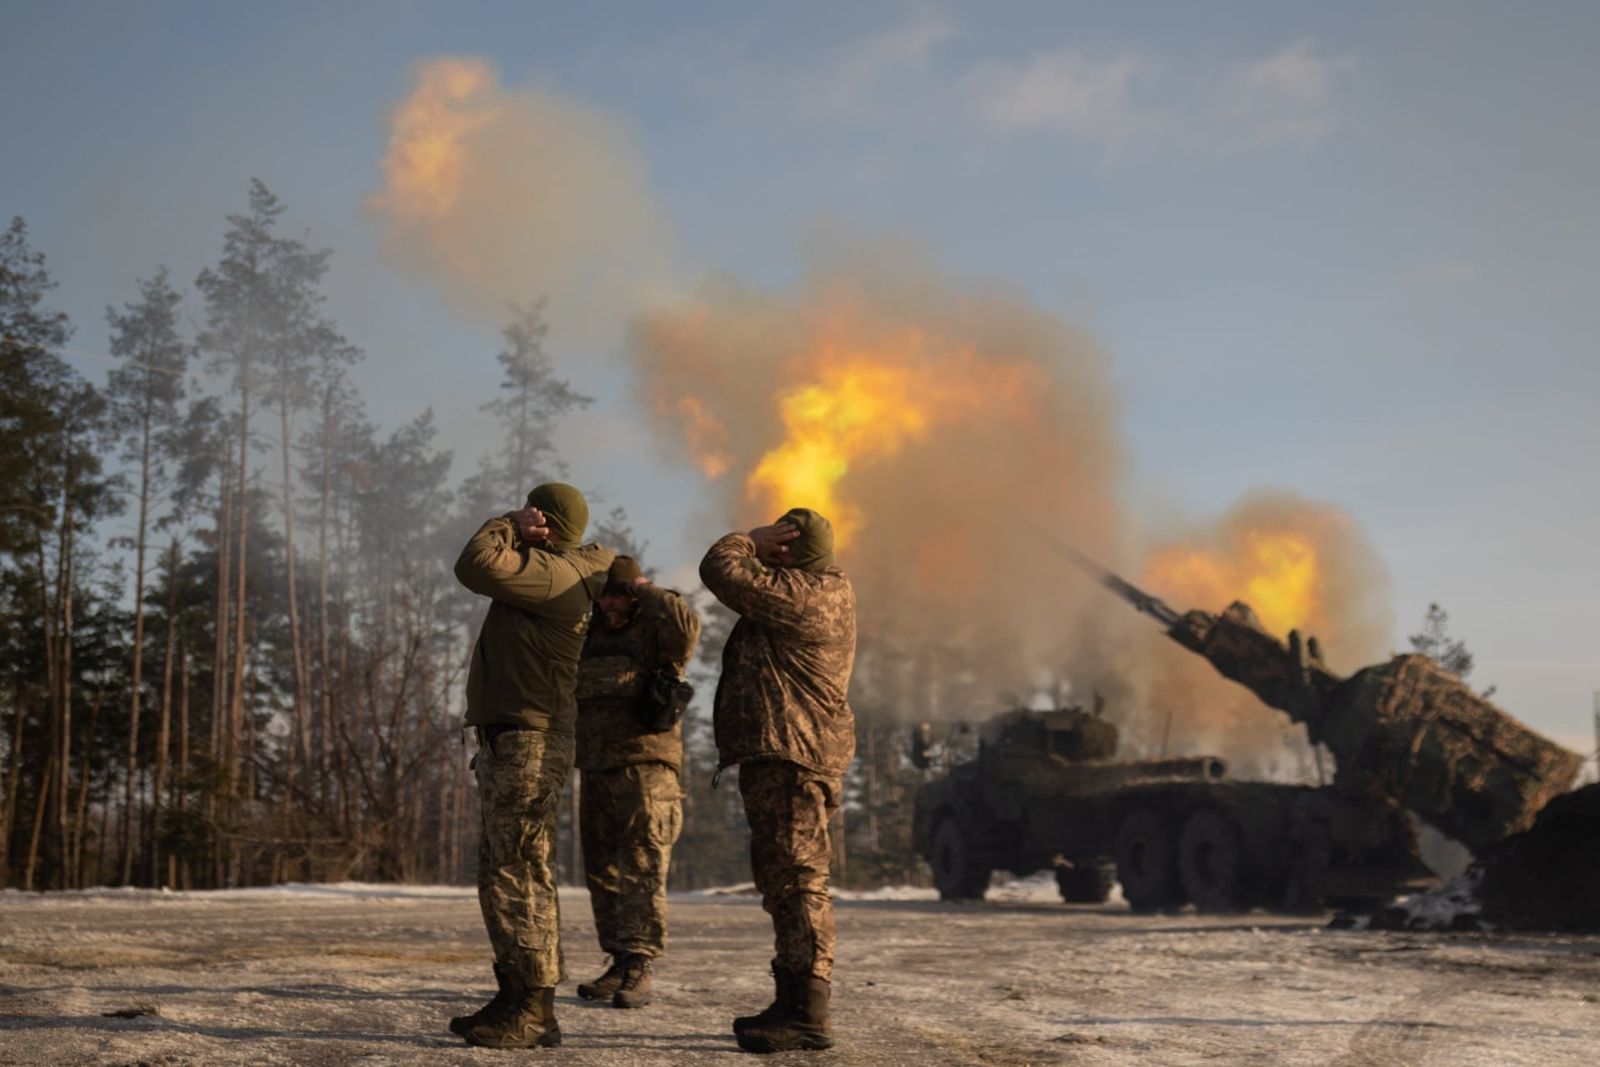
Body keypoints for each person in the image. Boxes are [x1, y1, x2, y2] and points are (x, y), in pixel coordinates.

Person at [449, 483, 614, 1049]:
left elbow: (474, 564)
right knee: (504, 869)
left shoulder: (553, 574)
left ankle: (533, 1006)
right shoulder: (556, 572)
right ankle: (516, 991)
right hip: (517, 736)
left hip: (529, 739)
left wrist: (506, 523)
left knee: (518, 870)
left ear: (543, 519)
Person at [698, 507, 856, 1054]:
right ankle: (791, 1001)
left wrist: (747, 540)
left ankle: (808, 1012)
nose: (768, 551)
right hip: (786, 753)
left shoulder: (808, 595)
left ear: (788, 551)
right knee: (783, 880)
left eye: (777, 544)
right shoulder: (812, 590)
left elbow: (722, 569)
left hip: (795, 755)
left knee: (799, 879)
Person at [571, 555, 702, 1008]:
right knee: (602, 869)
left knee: (643, 865)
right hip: (595, 767)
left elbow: (688, 627)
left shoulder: (656, 631)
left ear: (632, 593)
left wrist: (644, 588)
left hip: (647, 769)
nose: (607, 605)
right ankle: (619, 960)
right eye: (601, 596)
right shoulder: (591, 635)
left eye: (615, 594)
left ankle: (641, 965)